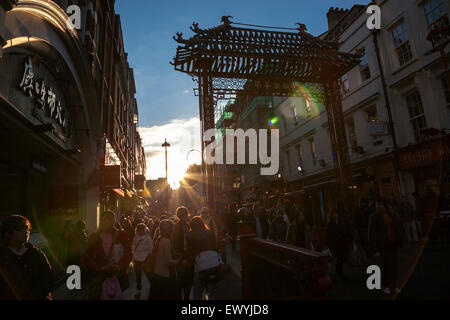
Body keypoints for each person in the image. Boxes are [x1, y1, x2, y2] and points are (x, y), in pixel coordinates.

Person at [0, 215, 54, 300]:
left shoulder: (36, 253)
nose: (26, 231)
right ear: (8, 233)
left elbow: (49, 278)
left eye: (27, 228)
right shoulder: (3, 257)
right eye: (21, 229)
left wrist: (37, 294)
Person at [84, 210, 132, 300]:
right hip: (99, 278)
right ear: (101, 220)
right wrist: (99, 268)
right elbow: (86, 256)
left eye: (109, 219)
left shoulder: (121, 235)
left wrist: (119, 266)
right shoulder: (94, 237)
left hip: (117, 277)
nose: (106, 222)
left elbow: (129, 254)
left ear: (113, 221)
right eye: (104, 219)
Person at [368, 198, 405, 295]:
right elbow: (371, 232)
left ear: (384, 205)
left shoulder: (391, 214)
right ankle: (389, 286)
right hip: (383, 244)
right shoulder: (373, 216)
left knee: (392, 265)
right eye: (377, 205)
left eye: (380, 204)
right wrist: (373, 246)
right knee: (390, 264)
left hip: (394, 242)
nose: (378, 207)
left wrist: (401, 239)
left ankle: (392, 285)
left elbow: (398, 226)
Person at [187, 216, 220, 300]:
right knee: (213, 289)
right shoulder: (209, 232)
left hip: (200, 263)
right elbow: (215, 246)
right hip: (214, 261)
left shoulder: (190, 235)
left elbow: (190, 251)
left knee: (197, 289)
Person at [150, 219, 180, 300]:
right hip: (164, 276)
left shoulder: (159, 239)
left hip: (157, 273)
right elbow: (168, 262)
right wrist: (178, 261)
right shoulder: (166, 241)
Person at [173, 206, 194, 300]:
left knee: (180, 280)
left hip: (180, 256)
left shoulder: (176, 226)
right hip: (185, 256)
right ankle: (185, 297)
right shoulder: (187, 225)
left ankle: (180, 296)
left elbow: (174, 242)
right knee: (187, 280)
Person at [326, 208, 353, 279]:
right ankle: (339, 270)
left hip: (342, 242)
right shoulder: (330, 223)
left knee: (343, 256)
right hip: (335, 243)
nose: (335, 215)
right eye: (334, 214)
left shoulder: (341, 221)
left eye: (336, 213)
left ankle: (338, 268)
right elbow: (328, 234)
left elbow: (345, 230)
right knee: (339, 256)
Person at [131, 223, 153, 299]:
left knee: (147, 275)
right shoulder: (136, 237)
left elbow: (150, 249)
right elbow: (133, 247)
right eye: (139, 230)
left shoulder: (147, 238)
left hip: (145, 259)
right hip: (137, 259)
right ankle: (139, 289)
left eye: (141, 230)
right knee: (138, 276)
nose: (140, 231)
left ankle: (152, 288)